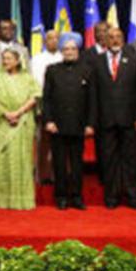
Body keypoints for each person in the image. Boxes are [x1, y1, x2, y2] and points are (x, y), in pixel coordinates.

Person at [42, 34, 96, 210]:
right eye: (66, 49)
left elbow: (92, 100)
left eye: (73, 49)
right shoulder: (52, 70)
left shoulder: (87, 70)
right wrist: (48, 120)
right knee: (59, 163)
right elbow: (47, 99)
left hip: (79, 125)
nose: (70, 52)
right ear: (61, 51)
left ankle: (77, 196)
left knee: (77, 164)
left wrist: (90, 123)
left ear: (78, 50)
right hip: (58, 125)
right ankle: (61, 196)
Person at [92, 27, 136, 209]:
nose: (114, 40)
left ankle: (132, 197)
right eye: (111, 37)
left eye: (118, 37)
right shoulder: (97, 61)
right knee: (109, 160)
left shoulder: (135, 60)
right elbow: (93, 93)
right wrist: (93, 119)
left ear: (123, 40)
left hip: (130, 119)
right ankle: (111, 197)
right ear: (104, 40)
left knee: (131, 160)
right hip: (105, 120)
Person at [0, 48, 41, 211]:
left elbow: (35, 96)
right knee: (3, 161)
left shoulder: (27, 77)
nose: (5, 62)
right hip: (2, 123)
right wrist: (6, 114)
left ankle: (23, 200)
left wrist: (19, 112)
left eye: (9, 59)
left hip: (23, 122)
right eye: (4, 58)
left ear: (17, 61)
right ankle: (3, 200)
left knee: (23, 160)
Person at [30, 30, 62, 184]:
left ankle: (59, 175)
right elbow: (33, 84)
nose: (53, 41)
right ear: (44, 41)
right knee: (41, 142)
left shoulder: (65, 57)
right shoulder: (36, 59)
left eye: (57, 38)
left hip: (63, 107)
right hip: (41, 105)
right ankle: (40, 176)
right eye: (50, 38)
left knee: (61, 143)